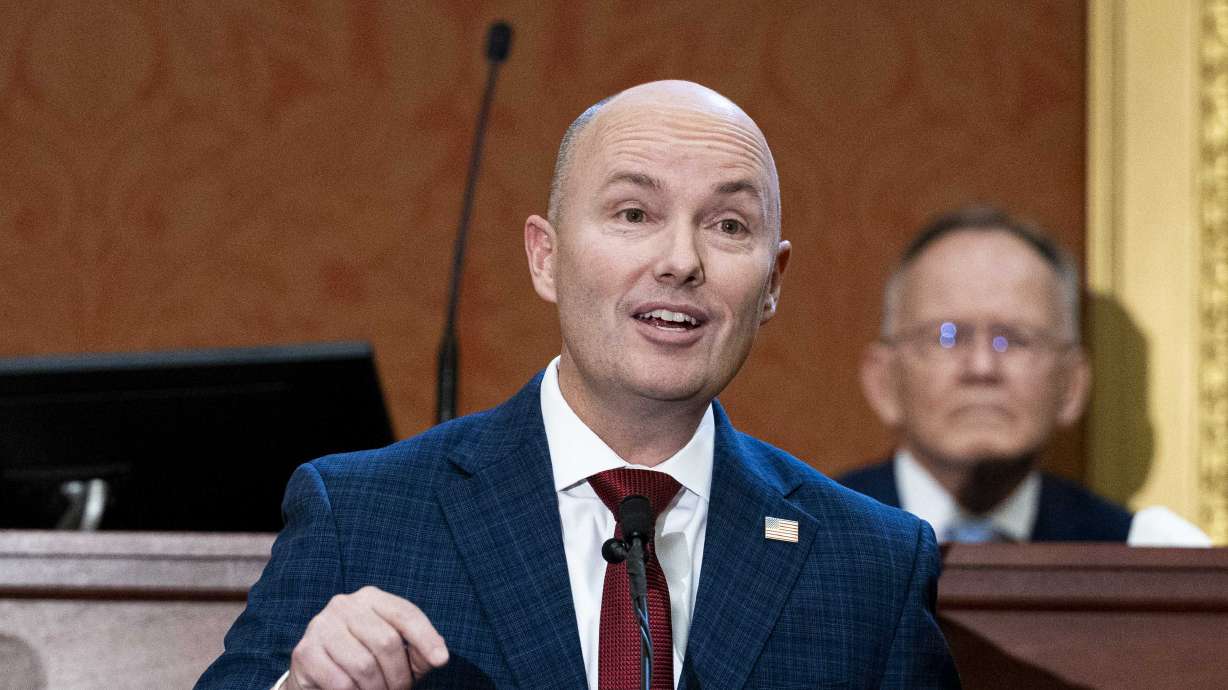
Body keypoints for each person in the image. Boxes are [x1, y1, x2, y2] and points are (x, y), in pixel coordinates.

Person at [196, 80, 958, 690]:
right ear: (544, 258)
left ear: (772, 284)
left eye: (728, 226)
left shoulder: (871, 564)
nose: (681, 261)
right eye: (634, 213)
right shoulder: (361, 515)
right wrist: (301, 687)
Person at [843, 207, 1210, 544]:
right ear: (884, 381)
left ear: (1072, 385)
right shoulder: (815, 537)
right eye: (948, 336)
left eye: (1015, 339)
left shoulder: (1136, 557)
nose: (982, 367)